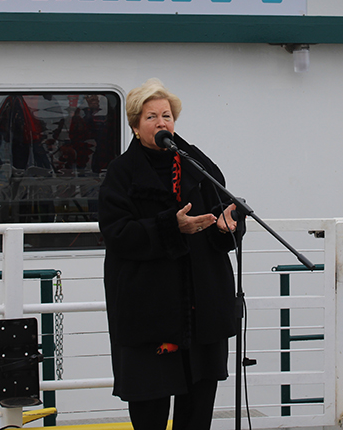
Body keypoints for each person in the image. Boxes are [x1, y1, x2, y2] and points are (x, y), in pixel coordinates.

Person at [98, 78, 239, 430]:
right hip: (148, 312)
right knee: (150, 410)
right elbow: (116, 233)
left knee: (197, 412)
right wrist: (169, 227)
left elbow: (226, 209)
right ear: (134, 125)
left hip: (201, 310)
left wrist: (226, 227)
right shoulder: (121, 173)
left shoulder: (197, 164)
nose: (162, 123)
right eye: (151, 117)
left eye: (167, 116)